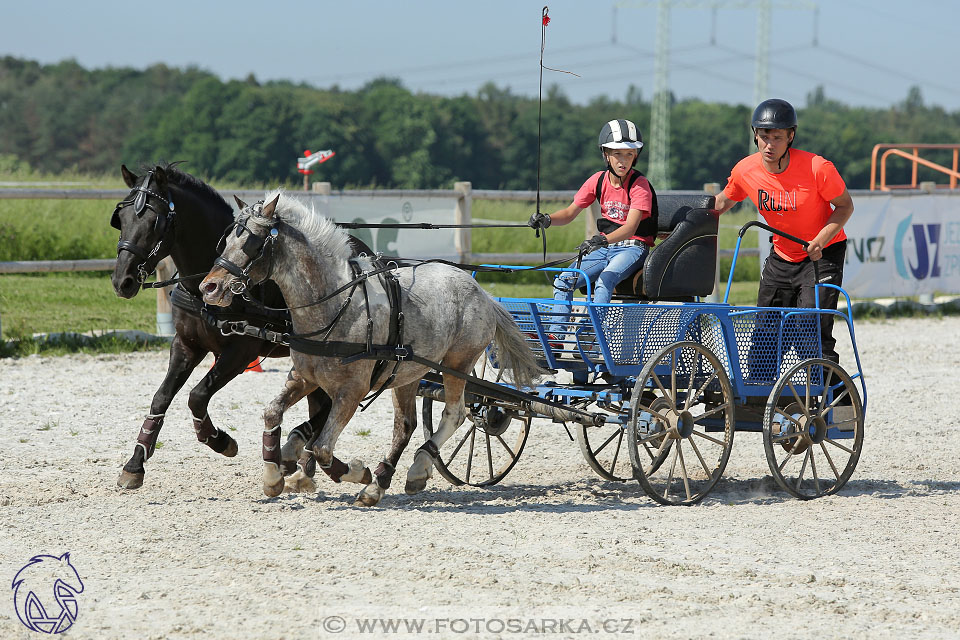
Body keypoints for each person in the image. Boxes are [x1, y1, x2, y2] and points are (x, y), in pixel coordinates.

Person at [713, 98, 854, 366]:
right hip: (782, 255)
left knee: (809, 332)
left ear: (791, 136)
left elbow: (845, 206)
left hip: (822, 254)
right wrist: (684, 219)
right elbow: (722, 202)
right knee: (764, 338)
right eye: (764, 136)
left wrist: (819, 240)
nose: (769, 144)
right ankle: (756, 403)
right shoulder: (746, 169)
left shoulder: (817, 168)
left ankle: (835, 403)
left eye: (777, 137)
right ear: (755, 135)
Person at [528, 119, 656, 348]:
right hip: (605, 247)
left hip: (633, 248)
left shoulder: (640, 185)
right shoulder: (597, 181)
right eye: (617, 154)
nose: (623, 161)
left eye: (629, 154)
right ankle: (556, 337)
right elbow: (568, 213)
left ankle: (595, 336)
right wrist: (546, 219)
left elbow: (630, 228)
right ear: (606, 154)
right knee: (564, 281)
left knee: (604, 281)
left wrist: (601, 239)